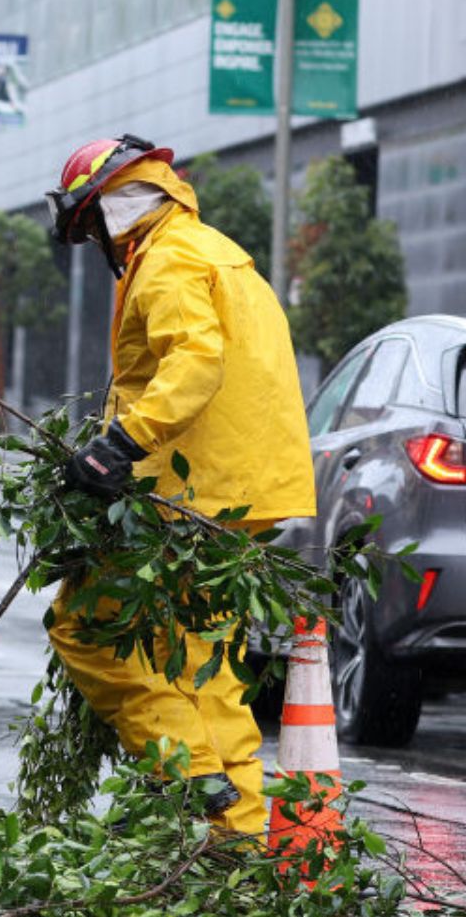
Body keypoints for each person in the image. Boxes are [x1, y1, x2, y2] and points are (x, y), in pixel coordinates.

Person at [41, 135, 316, 840]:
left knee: (88, 628)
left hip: (193, 492)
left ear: (109, 207)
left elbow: (194, 363)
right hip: (243, 493)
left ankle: (190, 773)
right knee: (207, 664)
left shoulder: (166, 261)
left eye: (90, 226)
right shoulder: (209, 248)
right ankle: (237, 843)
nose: (95, 243)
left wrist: (120, 446)